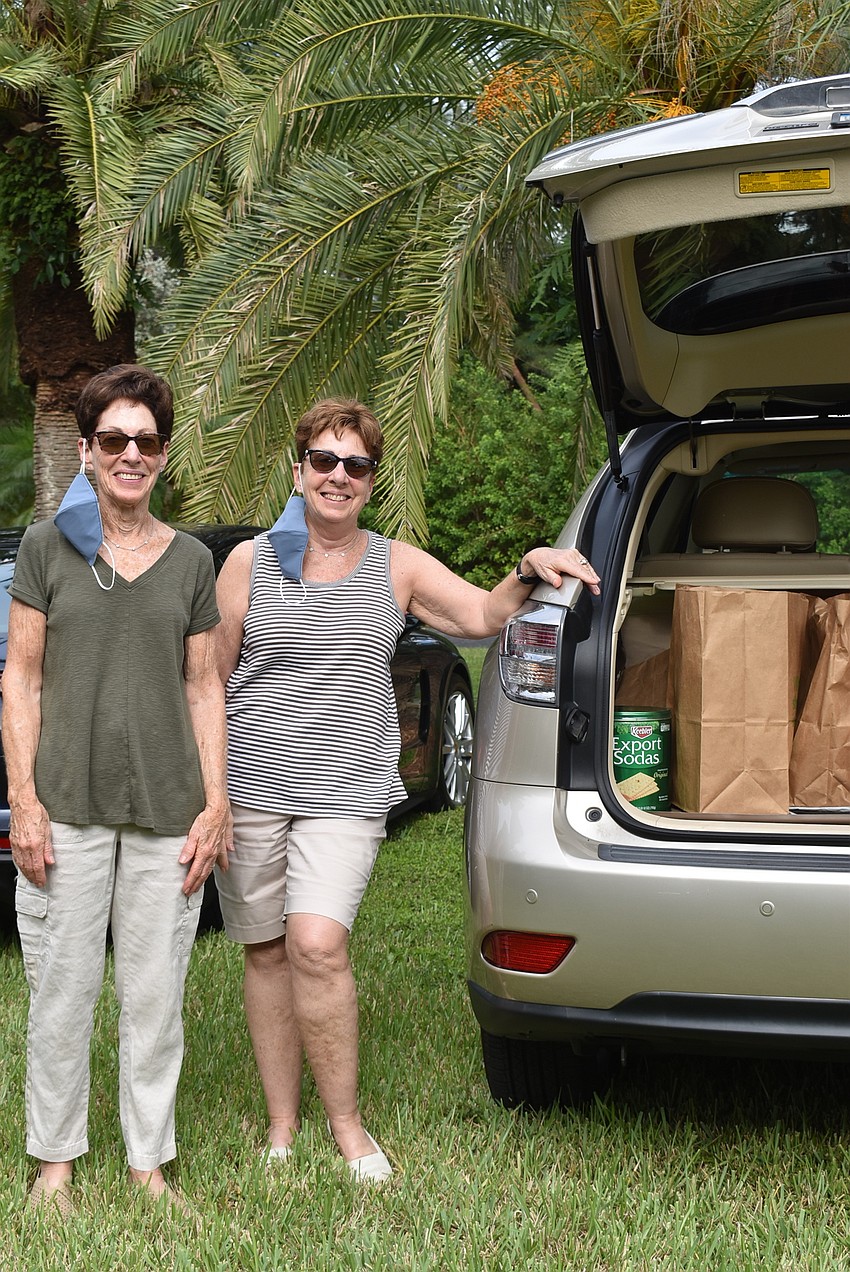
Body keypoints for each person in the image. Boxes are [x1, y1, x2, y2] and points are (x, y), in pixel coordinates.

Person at [215, 397, 600, 1182]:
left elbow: (482, 616)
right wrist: (209, 792)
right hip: (251, 786)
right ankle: (282, 1128)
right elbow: (210, 680)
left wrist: (527, 568)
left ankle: (348, 1128)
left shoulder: (397, 566)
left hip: (346, 792)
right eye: (324, 460)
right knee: (265, 952)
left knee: (316, 944)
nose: (339, 476)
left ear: (371, 479)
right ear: (298, 469)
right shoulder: (246, 564)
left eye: (356, 464)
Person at [4, 365, 230, 1216]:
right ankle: (54, 1167)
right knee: (62, 994)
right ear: (87, 451)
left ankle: (148, 1167)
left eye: (146, 441)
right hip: (65, 806)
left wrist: (215, 803)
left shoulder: (192, 561)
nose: (130, 454)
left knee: (156, 998)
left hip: (169, 811)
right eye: (114, 440)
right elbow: (21, 680)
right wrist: (25, 803)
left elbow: (204, 687)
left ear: (163, 455)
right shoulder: (45, 549)